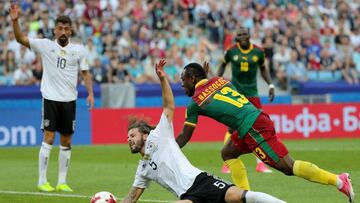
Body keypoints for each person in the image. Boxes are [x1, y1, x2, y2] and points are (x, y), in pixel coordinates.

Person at [176, 62, 355, 202]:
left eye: (183, 79)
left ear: (192, 78)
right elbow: (213, 89)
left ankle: (339, 181)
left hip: (253, 128)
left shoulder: (194, 103)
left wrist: (166, 148)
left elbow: (185, 136)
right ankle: (243, 197)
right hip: (255, 120)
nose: (181, 84)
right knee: (228, 152)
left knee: (287, 167)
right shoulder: (220, 80)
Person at [122, 59, 285, 203]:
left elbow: (168, 106)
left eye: (132, 135)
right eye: (128, 137)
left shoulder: (159, 135)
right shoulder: (143, 170)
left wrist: (163, 79)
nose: (129, 139)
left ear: (145, 135)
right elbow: (131, 199)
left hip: (201, 181)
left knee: (243, 197)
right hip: (188, 196)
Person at [10, 4, 94, 192]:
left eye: (66, 28)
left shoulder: (79, 50)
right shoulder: (46, 45)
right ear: (55, 30)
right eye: (60, 28)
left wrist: (90, 94)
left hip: (69, 100)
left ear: (70, 31)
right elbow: (20, 38)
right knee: (48, 137)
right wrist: (15, 21)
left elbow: (86, 74)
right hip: (50, 98)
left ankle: (62, 182)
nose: (63, 31)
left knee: (66, 141)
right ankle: (42, 181)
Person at [217, 27, 274, 179]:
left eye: (244, 34)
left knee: (258, 127)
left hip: (253, 94)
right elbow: (222, 65)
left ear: (249, 35)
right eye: (239, 34)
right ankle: (227, 163)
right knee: (231, 127)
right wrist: (215, 82)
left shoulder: (258, 51)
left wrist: (270, 85)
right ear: (236, 37)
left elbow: (263, 69)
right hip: (235, 93)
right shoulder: (231, 51)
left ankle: (260, 164)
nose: (242, 37)